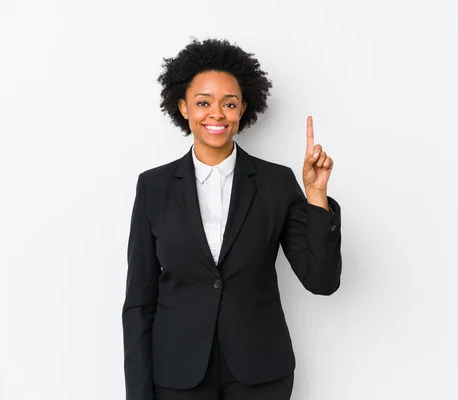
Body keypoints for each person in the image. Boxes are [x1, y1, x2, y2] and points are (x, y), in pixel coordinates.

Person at [122, 38, 342, 400]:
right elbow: (138, 303)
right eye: (203, 103)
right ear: (183, 107)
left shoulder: (276, 183)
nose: (216, 114)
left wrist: (316, 197)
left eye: (229, 103)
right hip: (177, 375)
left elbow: (322, 281)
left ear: (243, 108)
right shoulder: (153, 187)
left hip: (260, 373)